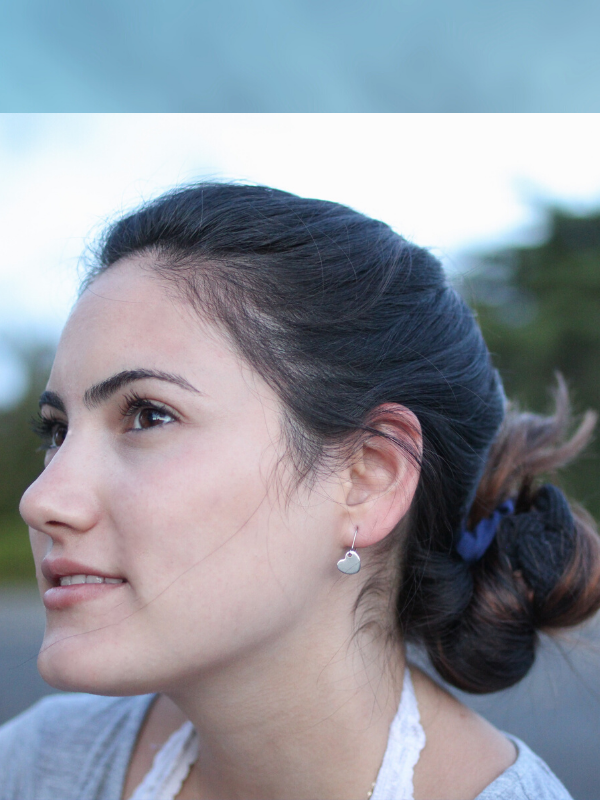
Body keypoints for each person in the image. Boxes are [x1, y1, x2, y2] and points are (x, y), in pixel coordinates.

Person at [1, 182, 599, 800]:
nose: (42, 500)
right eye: (57, 430)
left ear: (368, 478)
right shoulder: (39, 765)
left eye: (148, 415)